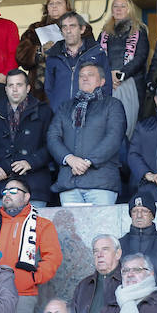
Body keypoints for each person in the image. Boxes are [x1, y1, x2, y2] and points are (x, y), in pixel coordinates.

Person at [0, 178, 62, 313]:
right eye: (5, 191)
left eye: (13, 190)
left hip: (22, 294)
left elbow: (53, 257)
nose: (7, 194)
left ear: (26, 197)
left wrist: (32, 279)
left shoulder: (42, 224)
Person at [47, 62, 126, 206]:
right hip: (69, 182)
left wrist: (88, 161)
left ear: (102, 81)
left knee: (102, 228)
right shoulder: (65, 107)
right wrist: (69, 158)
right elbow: (53, 137)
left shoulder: (112, 104)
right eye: (81, 76)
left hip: (101, 183)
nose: (85, 78)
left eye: (90, 75)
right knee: (70, 229)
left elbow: (114, 137)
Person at [0, 69, 54, 206]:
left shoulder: (43, 111)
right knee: (3, 227)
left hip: (35, 185)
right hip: (3, 186)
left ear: (28, 88)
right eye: (11, 85)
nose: (15, 90)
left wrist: (31, 162)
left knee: (33, 227)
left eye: (19, 85)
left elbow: (52, 145)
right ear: (5, 89)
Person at [17, 0, 93, 101]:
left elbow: (90, 53)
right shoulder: (35, 29)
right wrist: (39, 51)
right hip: (41, 92)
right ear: (46, 8)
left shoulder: (82, 28)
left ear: (67, 7)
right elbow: (21, 55)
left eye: (59, 3)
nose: (54, 6)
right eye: (51, 4)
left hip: (71, 88)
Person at [98, 0, 149, 138]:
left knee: (128, 127)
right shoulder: (104, 32)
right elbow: (98, 56)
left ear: (129, 9)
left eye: (123, 6)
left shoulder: (139, 30)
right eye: (115, 6)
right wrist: (109, 75)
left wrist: (120, 75)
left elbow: (140, 57)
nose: (118, 9)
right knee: (107, 127)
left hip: (130, 83)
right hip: (108, 84)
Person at [44, 11, 112, 111]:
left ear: (82, 29)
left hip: (90, 114)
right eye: (64, 27)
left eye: (72, 26)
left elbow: (106, 86)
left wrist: (99, 111)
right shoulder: (53, 56)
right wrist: (55, 107)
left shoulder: (97, 54)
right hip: (60, 114)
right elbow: (49, 88)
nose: (68, 31)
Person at [72, 235, 123, 313]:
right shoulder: (84, 285)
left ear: (118, 254)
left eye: (105, 249)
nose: (99, 255)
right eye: (96, 251)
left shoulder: (127, 282)